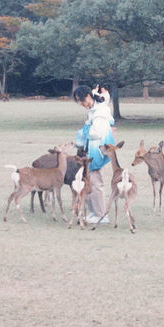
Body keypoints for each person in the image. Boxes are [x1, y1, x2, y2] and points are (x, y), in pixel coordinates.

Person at [73, 83, 115, 224]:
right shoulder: (96, 105)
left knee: (95, 182)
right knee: (88, 181)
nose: (83, 105)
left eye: (83, 101)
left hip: (97, 151)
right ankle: (94, 211)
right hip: (92, 149)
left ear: (89, 97)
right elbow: (104, 97)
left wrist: (85, 130)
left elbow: (95, 133)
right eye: (80, 103)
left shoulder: (100, 113)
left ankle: (101, 214)